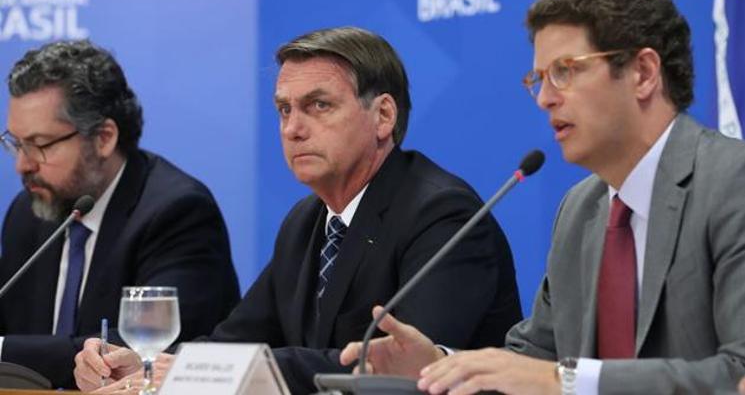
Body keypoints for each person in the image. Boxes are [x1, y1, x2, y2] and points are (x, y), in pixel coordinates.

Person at [340, 0, 745, 394]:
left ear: (643, 72)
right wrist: (439, 366)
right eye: (539, 79)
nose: (544, 98)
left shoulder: (740, 183)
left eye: (565, 71)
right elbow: (530, 361)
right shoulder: (581, 210)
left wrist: (564, 380)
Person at [73, 26, 524, 394]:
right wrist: (148, 365)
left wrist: (216, 373)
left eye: (318, 106)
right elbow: (236, 341)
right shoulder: (306, 221)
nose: (292, 129)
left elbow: (395, 365)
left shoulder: (443, 215)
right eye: (284, 110)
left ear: (383, 116)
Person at [0, 40, 241, 389]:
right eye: (16, 144)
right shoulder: (29, 212)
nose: (23, 165)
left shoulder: (177, 212)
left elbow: (145, 348)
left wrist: (4, 350)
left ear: (104, 138)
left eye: (39, 144)